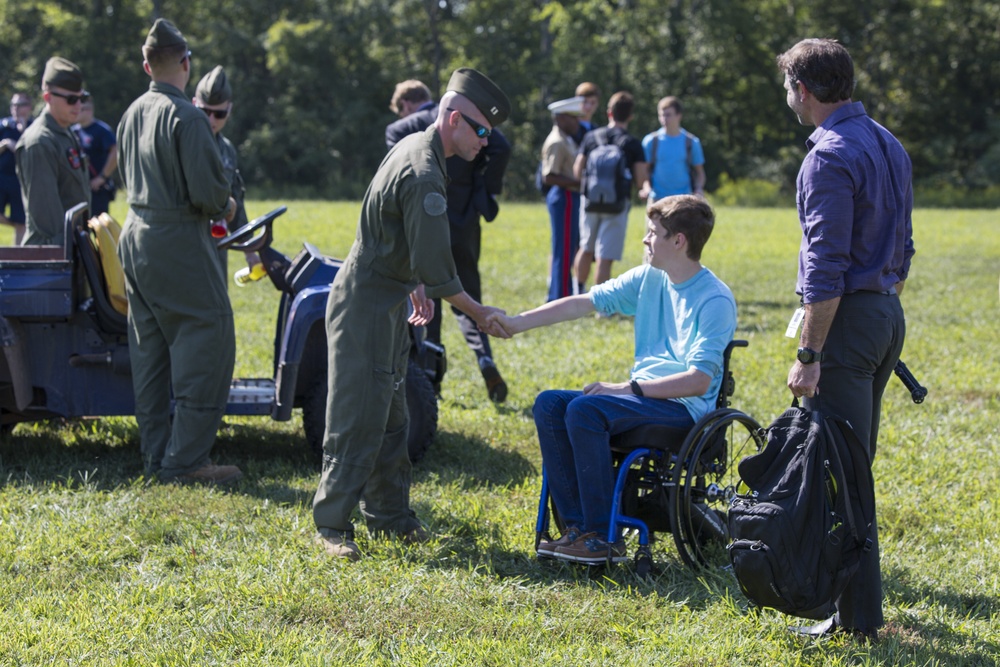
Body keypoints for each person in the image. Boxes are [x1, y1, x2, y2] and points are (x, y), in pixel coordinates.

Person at [314, 68, 511, 561]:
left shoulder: (422, 151)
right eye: (480, 131)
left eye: (490, 133)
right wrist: (478, 312)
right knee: (357, 416)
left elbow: (400, 230)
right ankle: (331, 525)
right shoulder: (425, 170)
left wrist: (414, 281)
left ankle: (389, 516)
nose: (485, 142)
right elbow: (443, 272)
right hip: (367, 304)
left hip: (387, 298)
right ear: (452, 118)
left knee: (392, 415)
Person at [491, 195, 736, 564]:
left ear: (678, 241)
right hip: (643, 401)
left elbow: (698, 381)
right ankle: (578, 529)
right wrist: (516, 323)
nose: (645, 240)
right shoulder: (648, 278)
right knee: (550, 404)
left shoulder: (715, 299)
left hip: (683, 410)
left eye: (652, 232)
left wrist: (628, 388)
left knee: (586, 410)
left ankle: (603, 536)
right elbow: (583, 302)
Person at [778, 38, 913, 641]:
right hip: (884, 316)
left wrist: (810, 354)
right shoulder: (887, 141)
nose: (789, 97)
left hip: (848, 323)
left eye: (788, 88)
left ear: (803, 91)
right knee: (851, 466)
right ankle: (852, 610)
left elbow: (825, 267)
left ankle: (856, 618)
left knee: (840, 473)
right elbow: (904, 245)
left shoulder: (827, 156)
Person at [116, 19, 241, 485]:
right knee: (210, 334)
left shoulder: (132, 112)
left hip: (136, 233)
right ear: (186, 63)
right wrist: (229, 203)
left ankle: (155, 456)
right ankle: (186, 462)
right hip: (176, 239)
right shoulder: (187, 117)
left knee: (149, 351)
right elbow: (209, 195)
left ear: (147, 65)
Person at [384, 78, 513, 402]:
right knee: (467, 291)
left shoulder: (403, 128)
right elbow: (502, 147)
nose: (482, 139)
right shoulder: (473, 119)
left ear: (406, 105)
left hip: (424, 222)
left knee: (428, 307)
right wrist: (483, 193)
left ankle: (430, 379)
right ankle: (485, 359)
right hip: (464, 218)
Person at [572, 91, 648, 289]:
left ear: (609, 113)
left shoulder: (591, 137)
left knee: (586, 248)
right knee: (605, 256)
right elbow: (641, 179)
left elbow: (577, 170)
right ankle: (601, 306)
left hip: (590, 201)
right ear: (630, 116)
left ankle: (577, 292)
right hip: (617, 204)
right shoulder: (632, 144)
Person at [14, 59, 91, 246]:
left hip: (72, 249)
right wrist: (69, 258)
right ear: (48, 97)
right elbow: (48, 221)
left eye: (82, 98)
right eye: (71, 99)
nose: (78, 106)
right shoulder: (39, 142)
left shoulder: (65, 132)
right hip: (50, 257)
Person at [193, 65, 260, 275]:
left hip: (217, 244)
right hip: (186, 243)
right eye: (205, 111)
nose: (211, 120)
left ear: (229, 110)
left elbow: (236, 202)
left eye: (219, 113)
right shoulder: (185, 144)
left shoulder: (227, 150)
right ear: (194, 104)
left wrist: (250, 250)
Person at [540, 96, 583, 300]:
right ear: (562, 118)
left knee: (568, 248)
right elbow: (549, 176)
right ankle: (559, 296)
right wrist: (579, 183)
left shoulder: (565, 138)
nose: (577, 123)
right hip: (563, 196)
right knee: (563, 249)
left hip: (568, 197)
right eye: (574, 118)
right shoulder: (557, 142)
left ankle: (561, 293)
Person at [638, 96, 705, 202]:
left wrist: (698, 189)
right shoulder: (651, 141)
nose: (664, 119)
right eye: (661, 115)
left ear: (679, 115)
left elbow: (700, 173)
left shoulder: (691, 142)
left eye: (668, 115)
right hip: (657, 199)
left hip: (683, 199)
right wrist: (646, 188)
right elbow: (644, 171)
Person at [72, 97, 118, 216]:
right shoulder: (72, 131)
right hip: (78, 189)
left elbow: (116, 152)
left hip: (97, 189)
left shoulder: (102, 130)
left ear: (89, 110)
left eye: (80, 109)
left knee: (99, 228)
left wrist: (102, 177)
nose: (76, 111)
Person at [1, 93, 33, 244]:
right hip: (2, 177)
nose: (16, 108)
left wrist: (22, 133)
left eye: (20, 105)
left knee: (21, 221)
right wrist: (5, 144)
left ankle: (18, 256)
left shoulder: (34, 127)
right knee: (19, 222)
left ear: (29, 107)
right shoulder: (3, 125)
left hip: (21, 180)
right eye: (14, 105)